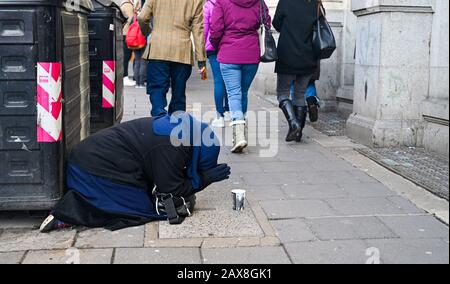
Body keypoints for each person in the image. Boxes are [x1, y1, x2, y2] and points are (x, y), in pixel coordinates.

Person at [39, 113, 231, 232]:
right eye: (198, 166)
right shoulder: (174, 145)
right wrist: (204, 179)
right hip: (91, 169)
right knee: (143, 211)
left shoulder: (184, 131)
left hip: (95, 160)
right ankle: (67, 213)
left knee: (151, 198)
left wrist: (197, 180)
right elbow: (170, 188)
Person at [210, 0, 271, 153]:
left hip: (229, 53)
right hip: (251, 54)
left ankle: (238, 134)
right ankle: (240, 131)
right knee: (242, 92)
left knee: (233, 94)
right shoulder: (259, 3)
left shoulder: (221, 2)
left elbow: (215, 29)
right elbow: (267, 23)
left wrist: (217, 45)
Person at [137, 0, 207, 117]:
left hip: (158, 48)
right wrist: (201, 59)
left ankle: (159, 117)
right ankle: (176, 123)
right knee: (179, 92)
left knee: (157, 88)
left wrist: (148, 32)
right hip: (182, 50)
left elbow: (142, 17)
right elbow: (198, 30)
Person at [273, 0, 319, 142]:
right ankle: (298, 132)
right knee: (300, 94)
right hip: (308, 55)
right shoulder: (315, 3)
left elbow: (276, 23)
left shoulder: (286, 1)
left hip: (287, 53)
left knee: (282, 93)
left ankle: (294, 124)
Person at [204, 0, 230, 128]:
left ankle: (220, 115)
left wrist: (202, 48)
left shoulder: (209, 5)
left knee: (219, 80)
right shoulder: (232, 3)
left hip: (213, 47)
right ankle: (229, 111)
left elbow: (204, 28)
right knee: (230, 80)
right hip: (230, 45)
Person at [117, 0, 137, 87]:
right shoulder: (128, 5)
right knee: (126, 56)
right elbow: (131, 20)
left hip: (125, 34)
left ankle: (124, 76)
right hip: (127, 34)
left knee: (125, 56)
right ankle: (125, 77)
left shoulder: (124, 4)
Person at [132, 0, 147, 88]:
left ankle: (137, 82)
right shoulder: (144, 16)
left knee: (137, 61)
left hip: (134, 42)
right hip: (142, 41)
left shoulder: (134, 17)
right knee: (143, 61)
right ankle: (141, 82)